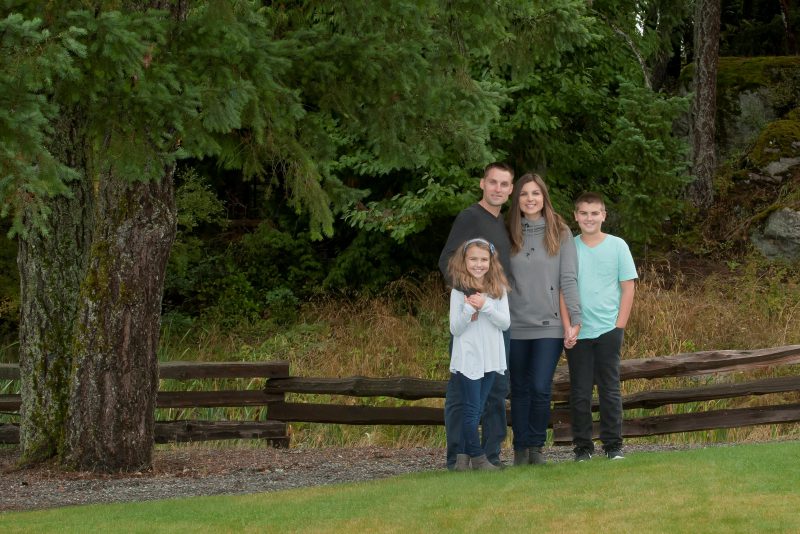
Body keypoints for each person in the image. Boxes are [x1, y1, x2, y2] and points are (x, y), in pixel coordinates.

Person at [438, 162, 514, 469]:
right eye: (493, 182)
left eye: (504, 184)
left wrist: (492, 304)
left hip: (496, 319)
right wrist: (473, 298)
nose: (498, 188)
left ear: (510, 190)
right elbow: (447, 260)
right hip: (470, 321)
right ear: (482, 183)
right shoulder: (470, 217)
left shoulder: (503, 224)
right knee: (462, 388)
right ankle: (459, 455)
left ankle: (490, 454)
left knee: (496, 387)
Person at [507, 173, 581, 466]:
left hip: (549, 325)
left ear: (544, 197)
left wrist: (575, 318)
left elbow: (569, 278)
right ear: (517, 199)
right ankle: (520, 449)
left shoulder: (559, 232)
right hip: (513, 325)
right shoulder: (508, 231)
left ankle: (536, 447)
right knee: (519, 388)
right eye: (524, 194)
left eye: (535, 193)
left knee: (540, 386)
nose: (530, 199)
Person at [563, 192, 637, 462]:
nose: (589, 218)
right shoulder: (569, 247)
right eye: (584, 213)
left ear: (604, 215)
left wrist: (619, 327)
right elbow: (563, 289)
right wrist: (568, 326)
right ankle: (583, 448)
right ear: (575, 216)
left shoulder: (618, 246)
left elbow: (627, 287)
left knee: (609, 390)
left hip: (609, 329)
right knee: (580, 393)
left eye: (595, 213)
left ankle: (613, 446)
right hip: (579, 331)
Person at [447, 238, 511, 470]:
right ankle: (479, 458)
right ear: (464, 261)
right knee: (472, 409)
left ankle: (462, 459)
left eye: (483, 259)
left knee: (479, 407)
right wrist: (468, 310)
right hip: (469, 357)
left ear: (491, 262)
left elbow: (504, 323)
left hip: (491, 356)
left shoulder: (498, 289)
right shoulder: (458, 291)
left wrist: (485, 306)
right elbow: (455, 328)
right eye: (473, 259)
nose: (478, 264)